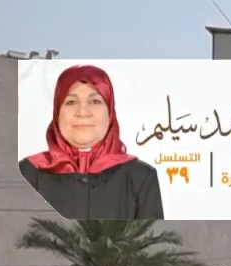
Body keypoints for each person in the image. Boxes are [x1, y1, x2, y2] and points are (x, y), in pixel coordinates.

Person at [19, 64, 164, 221]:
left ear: (110, 112)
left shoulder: (140, 178)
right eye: (71, 102)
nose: (82, 112)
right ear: (57, 113)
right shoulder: (28, 172)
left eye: (94, 101)